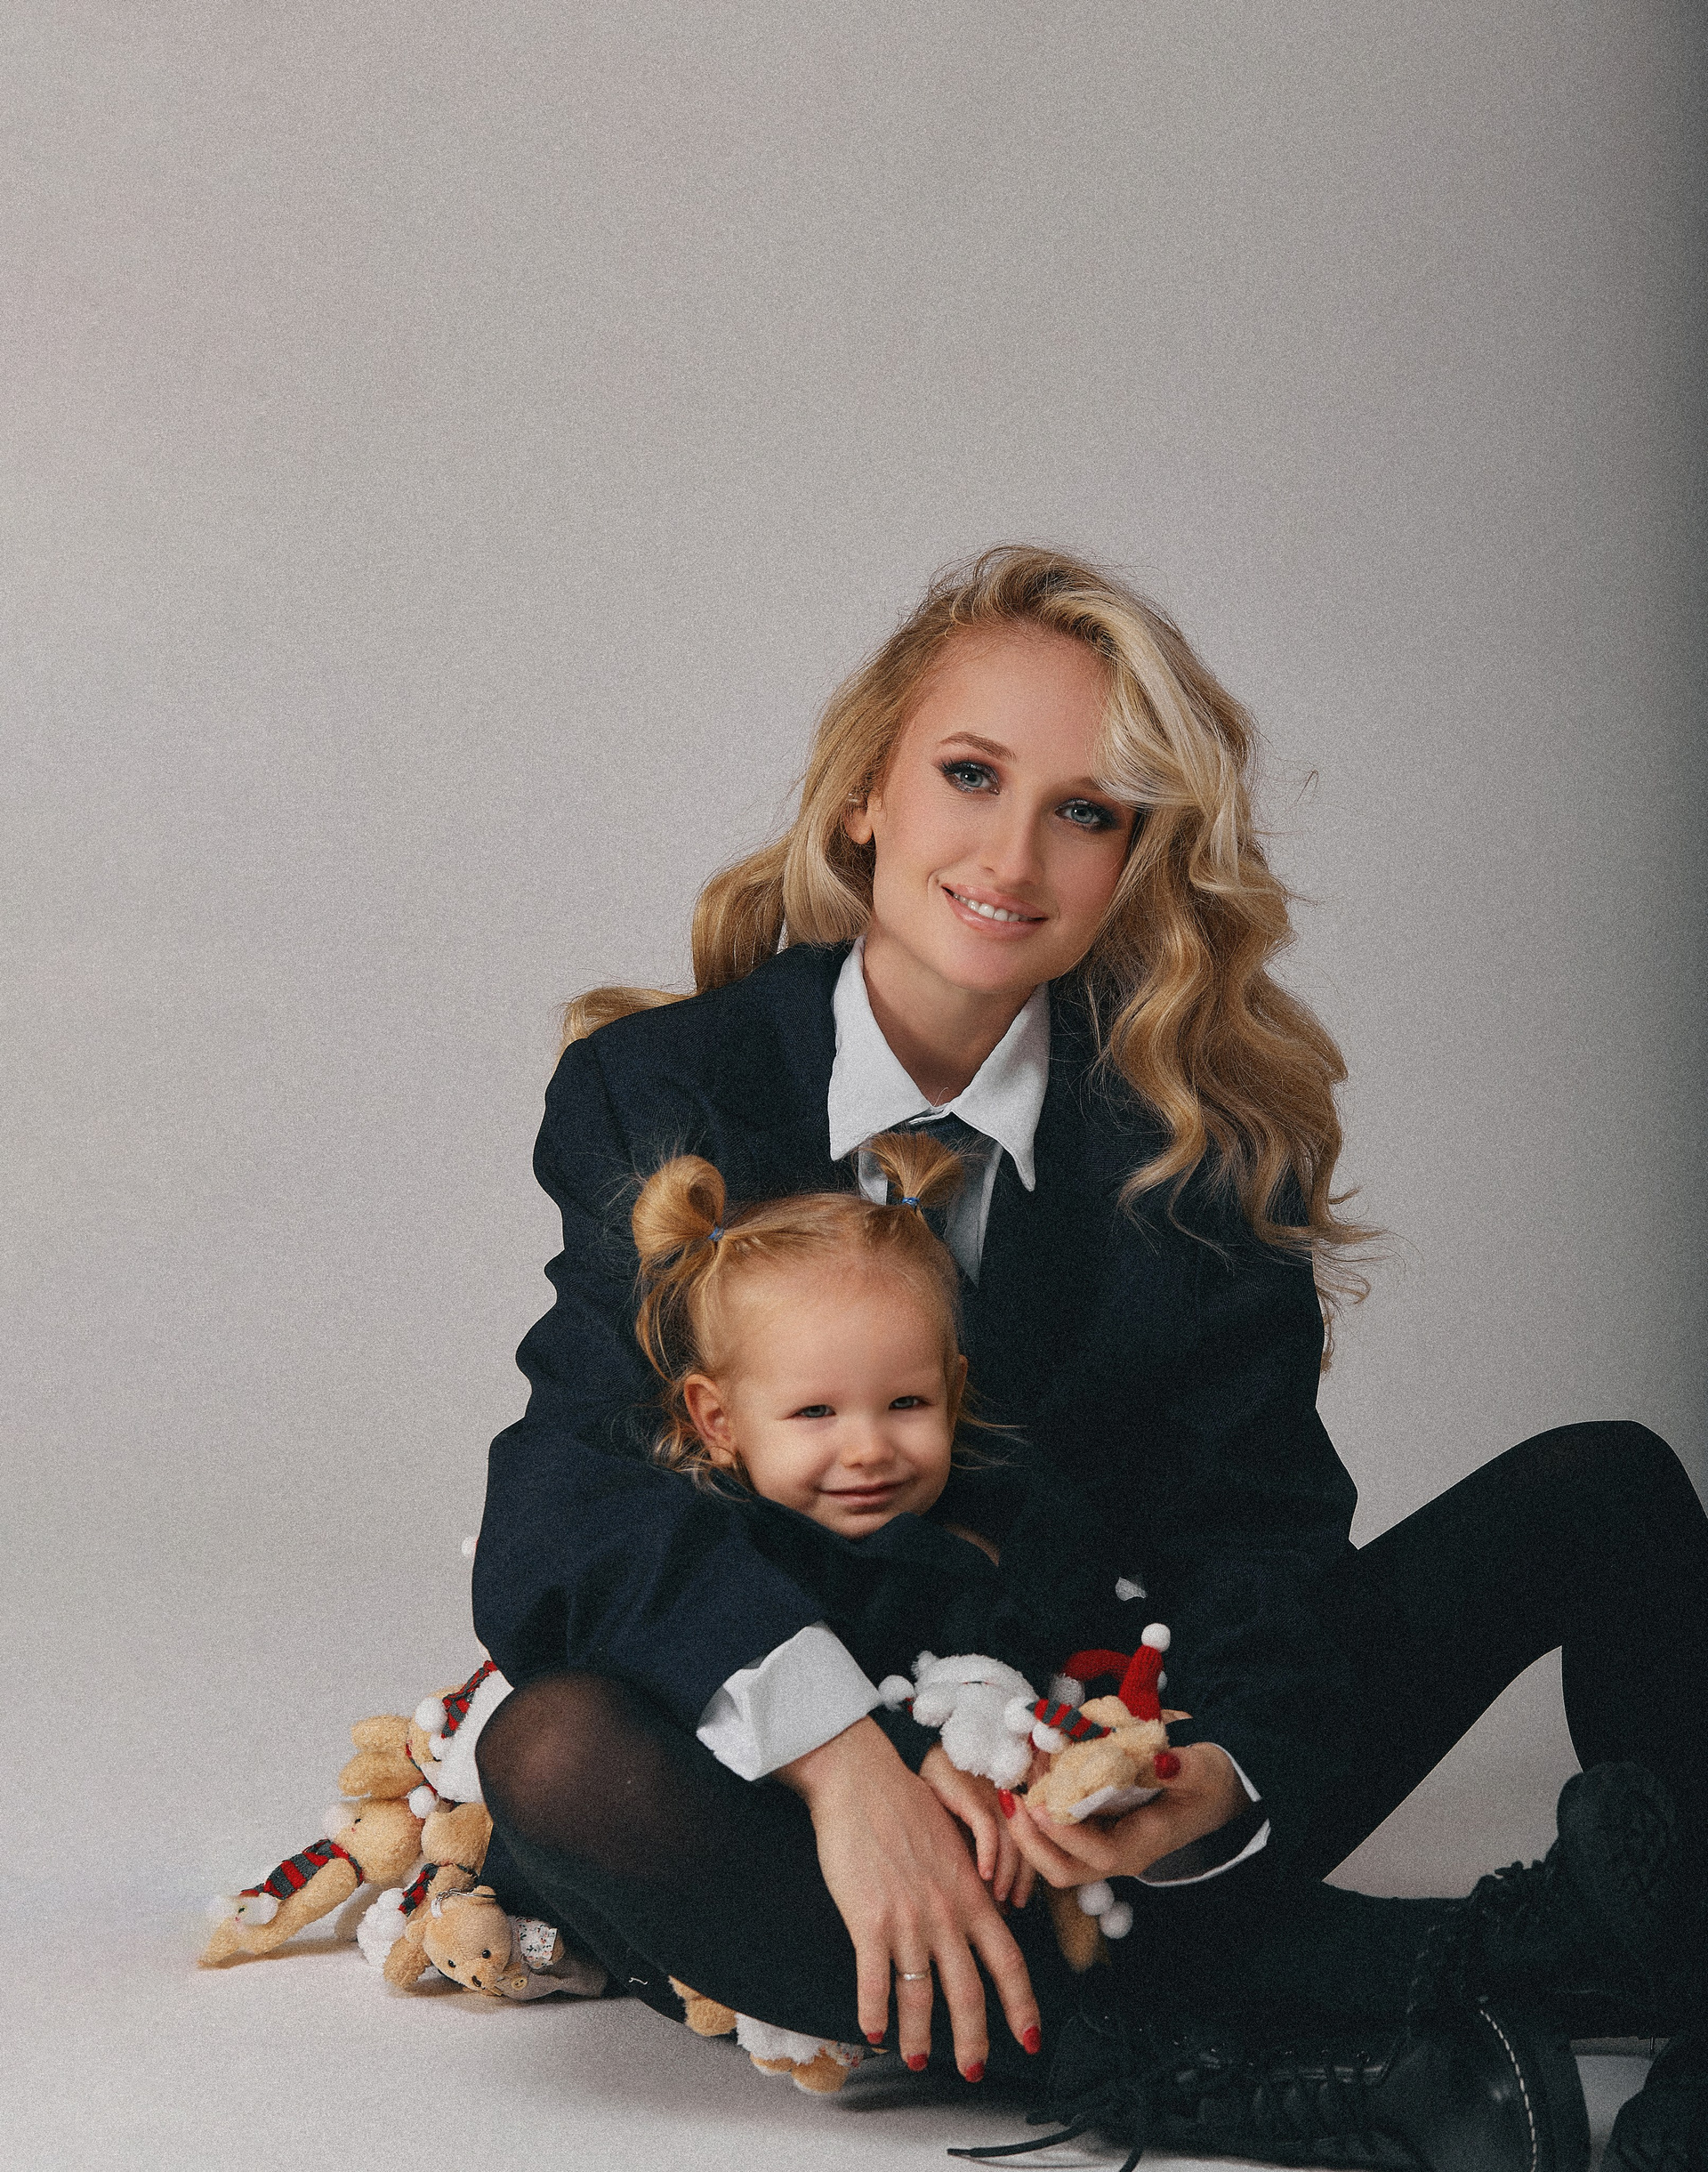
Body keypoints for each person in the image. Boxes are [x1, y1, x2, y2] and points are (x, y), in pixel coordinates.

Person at [472, 545, 1706, 2168]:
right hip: (798, 1774)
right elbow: (569, 1500)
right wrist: (852, 1770)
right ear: (867, 794)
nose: (1012, 854)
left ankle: (1667, 1964)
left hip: (1093, 1759)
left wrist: (1217, 1776)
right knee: (553, 1755)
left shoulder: (1198, 1142)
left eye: (1088, 809)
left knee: (1607, 1485)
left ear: (1139, 858)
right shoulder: (668, 1089)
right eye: (971, 775)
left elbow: (1256, 1538)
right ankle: (1285, 2030)